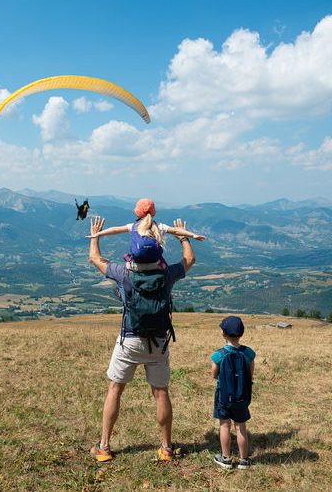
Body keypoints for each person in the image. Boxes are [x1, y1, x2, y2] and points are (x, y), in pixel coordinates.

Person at [88, 215, 196, 462]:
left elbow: (95, 259)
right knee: (160, 393)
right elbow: (189, 260)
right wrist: (182, 238)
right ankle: (166, 449)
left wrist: (95, 236)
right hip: (158, 342)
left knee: (115, 389)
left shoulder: (124, 274)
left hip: (130, 338)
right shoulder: (166, 274)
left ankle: (104, 447)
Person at [87, 198, 204, 268]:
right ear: (153, 213)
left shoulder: (133, 226)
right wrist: (192, 235)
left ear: (137, 212)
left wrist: (98, 234)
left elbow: (115, 229)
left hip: (135, 268)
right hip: (157, 267)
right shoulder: (159, 226)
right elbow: (176, 230)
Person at [211, 316, 255, 470]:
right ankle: (244, 460)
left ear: (223, 334)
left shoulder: (219, 354)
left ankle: (226, 458)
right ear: (241, 333)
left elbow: (214, 373)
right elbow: (250, 372)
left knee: (224, 425)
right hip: (242, 396)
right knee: (241, 427)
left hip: (224, 396)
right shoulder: (248, 353)